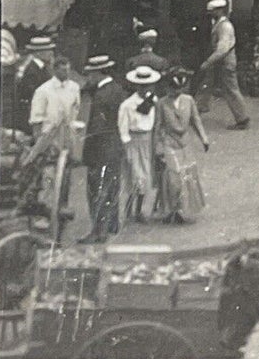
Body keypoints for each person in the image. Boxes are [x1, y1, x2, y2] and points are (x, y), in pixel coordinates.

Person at [28, 54, 82, 222]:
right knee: (48, 175)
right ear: (54, 70)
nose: (65, 72)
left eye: (68, 69)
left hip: (67, 135)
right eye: (61, 69)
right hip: (48, 136)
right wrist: (40, 142)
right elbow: (36, 119)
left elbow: (75, 108)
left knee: (65, 174)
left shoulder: (74, 87)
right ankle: (45, 213)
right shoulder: (43, 90)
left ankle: (61, 208)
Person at [78, 55, 123, 244]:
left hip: (101, 147)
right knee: (112, 186)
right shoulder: (117, 89)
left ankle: (98, 231)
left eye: (90, 74)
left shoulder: (100, 96)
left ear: (98, 73)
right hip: (115, 144)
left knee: (97, 189)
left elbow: (96, 127)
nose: (88, 77)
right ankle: (112, 224)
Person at [156, 67, 210, 225]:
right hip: (169, 143)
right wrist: (158, 147)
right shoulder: (161, 103)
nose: (176, 93)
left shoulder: (188, 100)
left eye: (179, 89)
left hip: (185, 143)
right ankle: (172, 210)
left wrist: (204, 138)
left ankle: (181, 210)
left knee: (187, 177)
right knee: (173, 179)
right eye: (173, 89)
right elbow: (158, 126)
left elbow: (196, 120)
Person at [200, 0, 251, 129]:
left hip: (226, 61)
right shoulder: (219, 24)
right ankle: (199, 108)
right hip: (222, 61)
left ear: (220, 10)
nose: (211, 14)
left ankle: (242, 118)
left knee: (231, 89)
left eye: (213, 11)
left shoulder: (225, 26)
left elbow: (222, 49)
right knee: (212, 85)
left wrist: (208, 62)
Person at [118, 65, 161, 223]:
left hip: (147, 140)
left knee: (145, 176)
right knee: (134, 176)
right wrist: (126, 145)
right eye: (141, 86)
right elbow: (123, 128)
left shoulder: (153, 101)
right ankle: (129, 210)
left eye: (147, 86)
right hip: (133, 141)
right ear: (136, 86)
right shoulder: (128, 105)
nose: (144, 89)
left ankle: (139, 210)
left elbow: (155, 120)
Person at [10, 34, 56, 134]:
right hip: (33, 115)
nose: (51, 53)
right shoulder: (32, 70)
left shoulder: (43, 69)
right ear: (39, 53)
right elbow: (31, 94)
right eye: (48, 50)